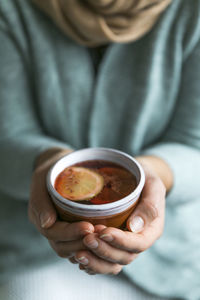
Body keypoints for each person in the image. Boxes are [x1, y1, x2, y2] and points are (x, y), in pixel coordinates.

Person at [0, 0, 200, 299]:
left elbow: (193, 145)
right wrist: (47, 164)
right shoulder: (12, 9)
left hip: (171, 259)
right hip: (34, 251)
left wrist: (152, 176)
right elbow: (9, 136)